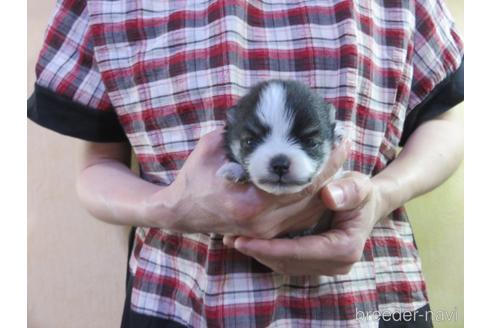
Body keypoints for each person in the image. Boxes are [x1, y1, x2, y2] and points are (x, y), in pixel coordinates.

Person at [27, 0, 464, 327]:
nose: (277, 159)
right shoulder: (104, 8)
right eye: (255, 140)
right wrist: (166, 207)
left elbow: (443, 125)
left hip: (368, 300)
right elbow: (96, 167)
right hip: (182, 302)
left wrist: (382, 195)